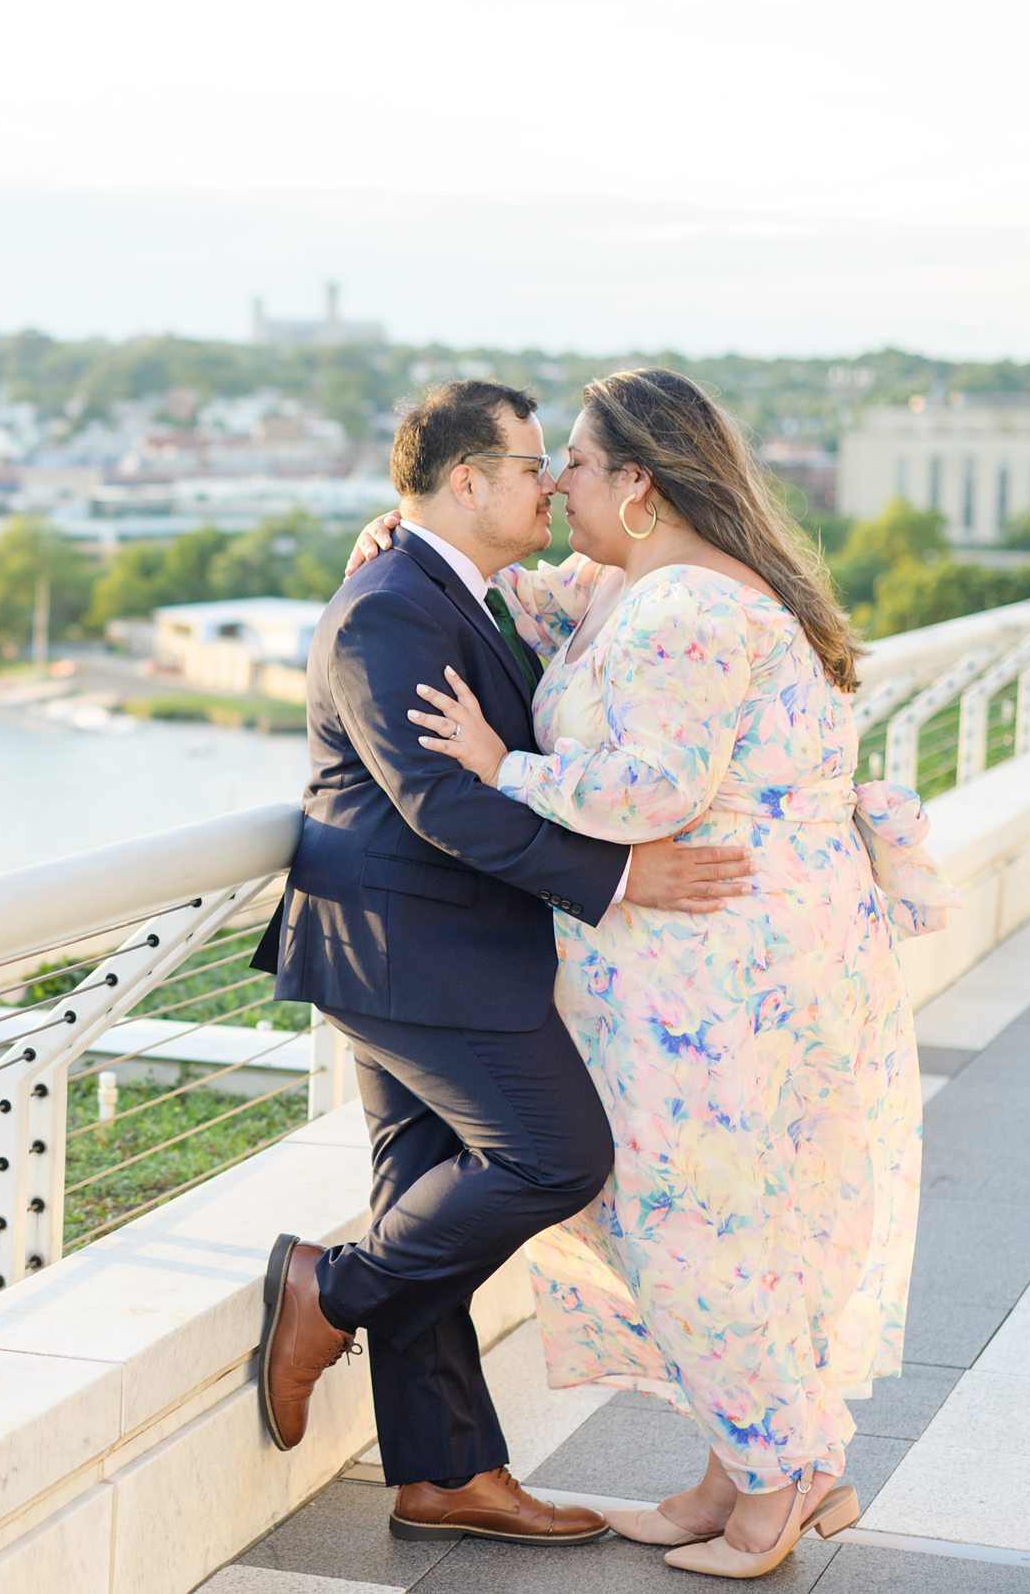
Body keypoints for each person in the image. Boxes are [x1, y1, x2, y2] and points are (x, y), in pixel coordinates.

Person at [360, 366, 947, 1578]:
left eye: (574, 461)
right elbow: (521, 602)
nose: (558, 481)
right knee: (740, 1216)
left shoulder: (682, 606)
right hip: (758, 954)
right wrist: (404, 533)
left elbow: (651, 787)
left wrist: (497, 764)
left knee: (691, 1224)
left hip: (712, 972)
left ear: (638, 482)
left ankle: (782, 1482)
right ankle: (742, 1473)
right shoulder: (651, 584)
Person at [251, 379, 757, 1550]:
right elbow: (437, 801)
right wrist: (619, 880)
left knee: (424, 1188)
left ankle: (447, 1473)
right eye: (530, 466)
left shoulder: (462, 593)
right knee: (555, 1154)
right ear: (465, 481)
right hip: (403, 952)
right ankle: (325, 1291)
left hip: (445, 945)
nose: (545, 484)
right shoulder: (390, 607)